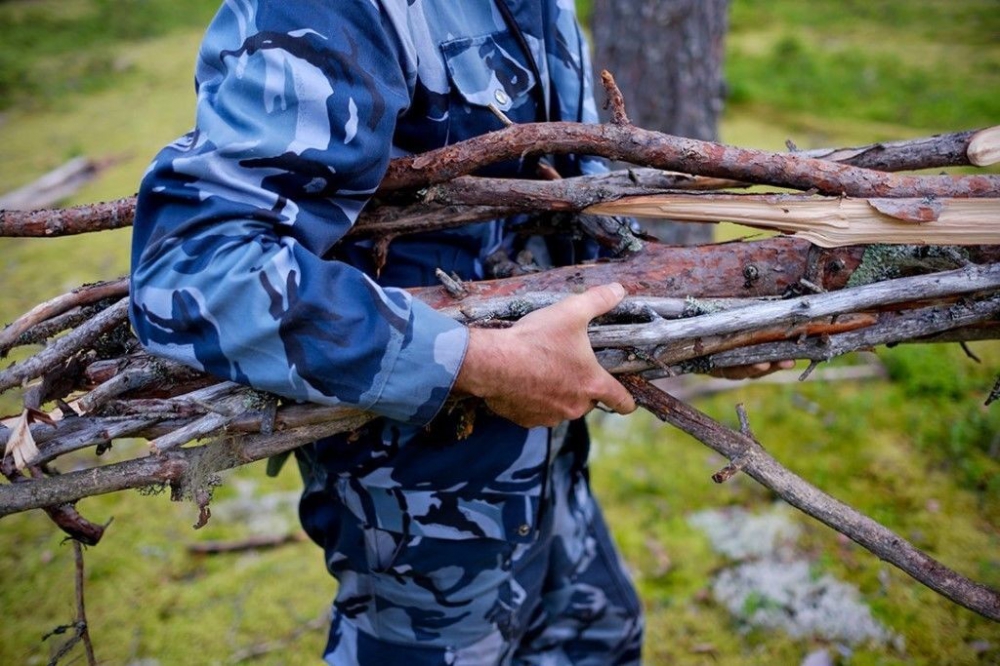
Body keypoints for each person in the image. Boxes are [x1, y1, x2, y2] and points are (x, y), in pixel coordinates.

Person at [130, 1, 774, 663]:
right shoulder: (337, 11)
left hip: (550, 464)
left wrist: (707, 322)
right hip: (418, 502)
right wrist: (485, 364)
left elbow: (568, 204)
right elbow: (199, 266)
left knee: (600, 640)